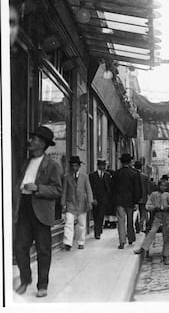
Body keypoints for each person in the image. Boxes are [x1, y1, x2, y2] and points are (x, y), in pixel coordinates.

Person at [13, 126, 63, 298]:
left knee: (43, 250)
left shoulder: (52, 165)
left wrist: (38, 188)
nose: (30, 141)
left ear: (41, 144)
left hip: (41, 211)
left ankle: (42, 285)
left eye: (33, 139)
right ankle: (25, 280)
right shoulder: (26, 162)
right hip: (24, 208)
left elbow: (57, 190)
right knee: (20, 247)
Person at [134, 180, 169, 265]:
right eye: (162, 186)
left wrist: (168, 207)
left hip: (166, 217)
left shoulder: (167, 195)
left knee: (166, 236)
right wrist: (154, 207)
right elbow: (147, 205)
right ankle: (143, 248)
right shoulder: (153, 194)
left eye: (165, 186)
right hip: (157, 216)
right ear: (158, 186)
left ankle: (165, 256)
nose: (163, 187)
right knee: (152, 232)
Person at [61, 156, 94, 250]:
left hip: (81, 203)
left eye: (76, 166)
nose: (74, 168)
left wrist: (90, 202)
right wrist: (63, 203)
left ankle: (81, 241)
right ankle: (68, 242)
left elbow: (88, 189)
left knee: (81, 224)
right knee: (68, 222)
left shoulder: (85, 176)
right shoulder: (67, 177)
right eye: (72, 166)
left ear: (79, 166)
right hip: (70, 202)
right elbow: (64, 191)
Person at [111, 153, 141, 249]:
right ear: (130, 162)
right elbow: (137, 189)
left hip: (119, 200)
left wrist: (114, 200)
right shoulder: (135, 173)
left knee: (120, 220)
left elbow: (112, 188)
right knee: (130, 220)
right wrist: (136, 201)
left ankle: (122, 241)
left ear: (121, 162)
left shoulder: (116, 174)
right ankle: (131, 238)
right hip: (130, 201)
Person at [89, 159, 112, 239]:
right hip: (96, 198)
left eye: (104, 165)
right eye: (101, 165)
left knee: (101, 215)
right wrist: (93, 198)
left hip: (103, 199)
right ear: (98, 166)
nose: (103, 167)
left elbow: (109, 187)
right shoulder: (92, 175)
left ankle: (98, 231)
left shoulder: (107, 175)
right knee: (95, 215)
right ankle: (97, 230)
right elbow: (90, 188)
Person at [133, 161, 150, 233]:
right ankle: (142, 225)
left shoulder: (132, 175)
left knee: (135, 212)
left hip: (134, 198)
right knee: (143, 212)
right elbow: (148, 188)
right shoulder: (145, 177)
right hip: (143, 197)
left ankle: (137, 227)